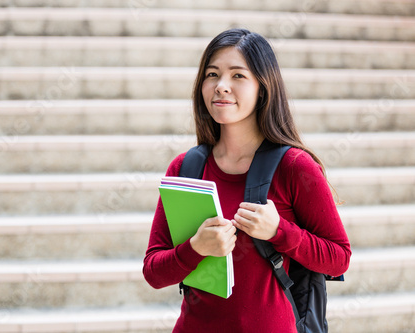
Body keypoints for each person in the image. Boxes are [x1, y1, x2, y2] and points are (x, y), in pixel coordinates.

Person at [142, 28, 351, 333]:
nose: (221, 86)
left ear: (262, 88)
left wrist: (280, 231)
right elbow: (154, 272)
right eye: (212, 74)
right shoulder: (185, 168)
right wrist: (195, 247)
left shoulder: (295, 167)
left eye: (238, 76)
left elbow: (339, 258)